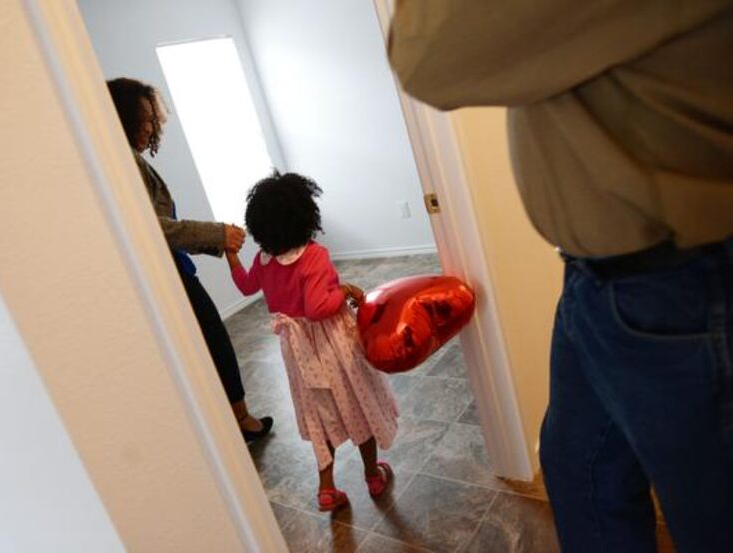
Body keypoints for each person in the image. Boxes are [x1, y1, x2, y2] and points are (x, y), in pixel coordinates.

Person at [388, 2, 733, 552]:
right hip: (608, 283)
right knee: (580, 470)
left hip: (681, 284)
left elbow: (427, 55)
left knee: (713, 520)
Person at [106, 77, 273, 443]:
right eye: (144, 119)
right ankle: (240, 422)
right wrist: (216, 235)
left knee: (210, 343)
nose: (151, 127)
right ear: (123, 118)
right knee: (213, 342)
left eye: (153, 119)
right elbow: (152, 226)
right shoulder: (123, 163)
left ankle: (234, 420)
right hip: (170, 275)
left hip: (176, 268)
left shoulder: (125, 160)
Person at [226, 171, 399, 512]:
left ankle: (326, 488)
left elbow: (246, 287)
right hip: (331, 347)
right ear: (305, 215)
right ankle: (371, 474)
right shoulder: (313, 256)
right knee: (356, 404)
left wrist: (230, 255)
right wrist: (345, 290)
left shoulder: (263, 260)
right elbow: (319, 308)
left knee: (320, 415)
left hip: (297, 351)